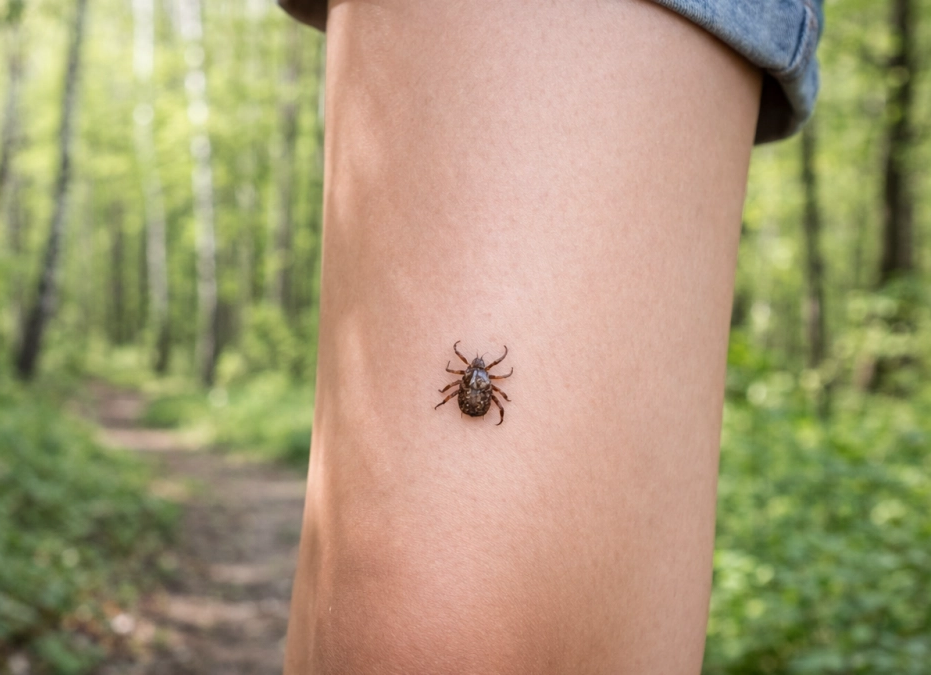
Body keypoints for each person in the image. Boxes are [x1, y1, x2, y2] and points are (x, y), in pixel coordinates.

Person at [277, 0, 823, 672]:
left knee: (425, 625)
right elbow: (483, 382)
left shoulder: (469, 382)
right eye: (474, 374)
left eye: (478, 374)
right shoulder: (481, 384)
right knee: (343, 625)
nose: (476, 375)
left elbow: (472, 381)